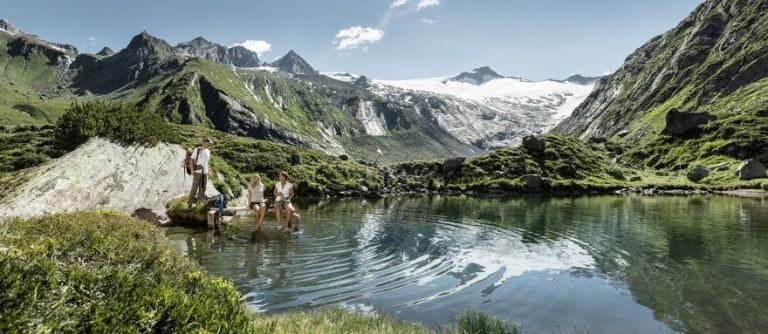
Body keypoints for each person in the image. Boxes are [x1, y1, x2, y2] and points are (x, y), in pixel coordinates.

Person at [187, 138, 212, 209]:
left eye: (209, 144)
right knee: (194, 188)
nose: (209, 145)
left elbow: (208, 162)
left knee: (203, 189)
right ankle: (189, 204)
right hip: (197, 172)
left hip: (205, 172)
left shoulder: (208, 151)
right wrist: (192, 170)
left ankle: (198, 204)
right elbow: (191, 161)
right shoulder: (197, 150)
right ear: (204, 143)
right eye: (208, 143)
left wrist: (209, 171)